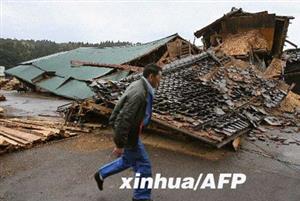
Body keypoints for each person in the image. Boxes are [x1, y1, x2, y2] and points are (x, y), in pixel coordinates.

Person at [94, 63, 162, 201]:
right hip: (130, 135)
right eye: (159, 77)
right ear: (151, 76)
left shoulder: (142, 86)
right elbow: (124, 119)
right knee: (144, 166)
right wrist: (119, 144)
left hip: (132, 132)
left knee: (128, 160)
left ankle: (101, 174)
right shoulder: (139, 93)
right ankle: (141, 198)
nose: (160, 80)